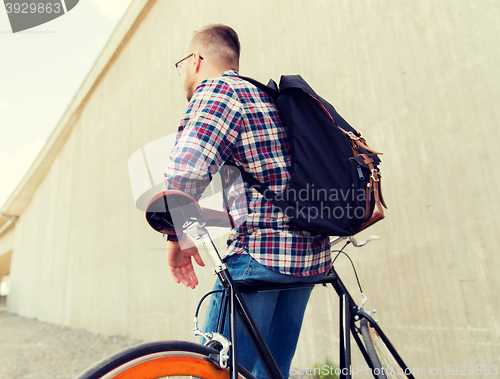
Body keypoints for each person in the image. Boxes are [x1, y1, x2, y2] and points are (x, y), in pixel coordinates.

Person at [163, 24, 332, 379]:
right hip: (308, 259)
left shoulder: (218, 92)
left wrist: (177, 235)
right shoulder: (269, 100)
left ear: (195, 60)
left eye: (181, 64)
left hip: (260, 257)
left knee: (214, 372)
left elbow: (183, 177)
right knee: (269, 373)